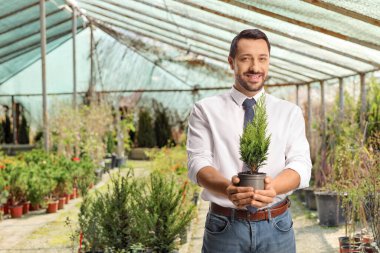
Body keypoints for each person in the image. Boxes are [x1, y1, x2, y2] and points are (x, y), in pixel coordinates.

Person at [186, 29, 312, 253]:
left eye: (262, 59)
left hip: (277, 225)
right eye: (246, 59)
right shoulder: (206, 110)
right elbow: (198, 163)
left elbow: (301, 164)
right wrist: (228, 189)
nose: (255, 67)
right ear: (231, 62)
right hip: (225, 226)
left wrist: (273, 189)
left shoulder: (288, 112)